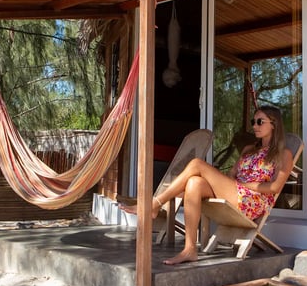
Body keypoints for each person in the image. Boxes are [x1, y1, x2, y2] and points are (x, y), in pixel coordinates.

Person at [121, 105, 294, 265]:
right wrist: (226, 183)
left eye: (259, 122)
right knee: (194, 183)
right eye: (253, 121)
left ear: (274, 124)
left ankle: (155, 203)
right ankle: (190, 249)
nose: (255, 125)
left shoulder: (283, 154)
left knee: (197, 163)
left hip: (252, 201)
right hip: (236, 191)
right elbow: (232, 175)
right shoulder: (249, 149)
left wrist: (246, 185)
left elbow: (275, 187)